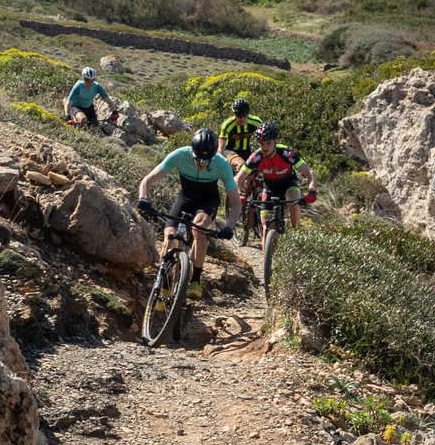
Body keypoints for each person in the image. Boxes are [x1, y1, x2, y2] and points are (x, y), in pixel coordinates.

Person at [135, 128, 237, 299]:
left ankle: (195, 280)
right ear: (192, 151)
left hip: (208, 200)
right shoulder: (180, 155)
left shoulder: (222, 164)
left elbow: (235, 201)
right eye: (198, 159)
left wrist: (230, 226)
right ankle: (165, 285)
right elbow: (149, 178)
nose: (202, 163)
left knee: (199, 228)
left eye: (207, 160)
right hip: (186, 198)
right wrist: (143, 197)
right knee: (170, 237)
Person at [236, 121, 317, 272]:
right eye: (261, 144)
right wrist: (240, 194)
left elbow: (309, 173)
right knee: (266, 229)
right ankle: (269, 269)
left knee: (293, 203)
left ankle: (295, 231)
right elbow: (238, 179)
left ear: (276, 142)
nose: (264, 147)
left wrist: (311, 191)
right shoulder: (256, 157)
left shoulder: (287, 154)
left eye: (268, 143)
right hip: (270, 188)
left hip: (289, 184)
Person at [216, 97, 263, 169]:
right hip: (229, 151)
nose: (242, 118)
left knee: (254, 172)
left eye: (244, 115)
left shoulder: (256, 122)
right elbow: (221, 148)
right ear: (234, 114)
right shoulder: (228, 125)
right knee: (240, 164)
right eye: (238, 115)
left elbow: (266, 139)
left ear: (248, 113)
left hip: (246, 151)